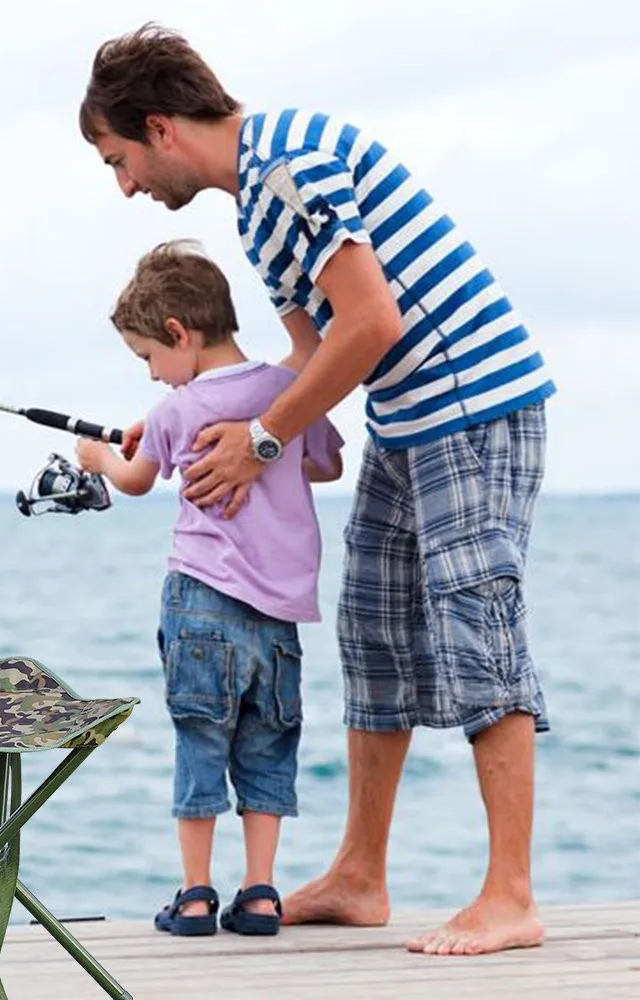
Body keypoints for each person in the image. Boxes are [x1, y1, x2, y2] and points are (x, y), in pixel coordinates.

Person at [78, 24, 557, 957]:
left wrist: (260, 441)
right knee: (373, 631)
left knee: (477, 627)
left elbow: (371, 322)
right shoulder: (258, 209)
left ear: (161, 126)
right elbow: (305, 359)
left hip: (471, 407)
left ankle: (510, 895)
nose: (126, 185)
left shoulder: (290, 163)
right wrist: (190, 412)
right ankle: (359, 877)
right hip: (406, 422)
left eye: (119, 159)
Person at [76, 239, 343, 938]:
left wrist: (97, 454)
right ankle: (260, 895)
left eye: (147, 359)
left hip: (198, 601)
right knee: (267, 746)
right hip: (277, 616)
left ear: (178, 334)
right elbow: (328, 465)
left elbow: (135, 481)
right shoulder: (288, 394)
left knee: (200, 742)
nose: (155, 377)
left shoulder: (177, 409)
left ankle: (195, 896)